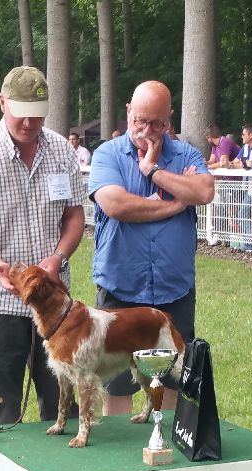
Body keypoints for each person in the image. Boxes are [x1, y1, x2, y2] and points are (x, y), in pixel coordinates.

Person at [0, 66, 86, 425]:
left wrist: (57, 257)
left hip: (54, 297)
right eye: (21, 114)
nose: (29, 123)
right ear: (2, 103)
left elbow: (75, 217)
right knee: (3, 405)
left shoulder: (61, 151)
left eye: (37, 116)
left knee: (63, 402)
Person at [88, 80, 215, 415]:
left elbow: (203, 193)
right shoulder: (108, 154)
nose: (145, 130)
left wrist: (154, 172)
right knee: (117, 381)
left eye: (156, 123)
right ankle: (120, 464)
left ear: (169, 120)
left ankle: (167, 447)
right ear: (128, 111)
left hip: (174, 291)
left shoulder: (186, 154)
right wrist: (174, 204)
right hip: (121, 290)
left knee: (173, 376)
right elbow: (115, 204)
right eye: (139, 121)